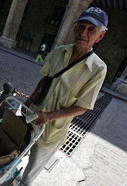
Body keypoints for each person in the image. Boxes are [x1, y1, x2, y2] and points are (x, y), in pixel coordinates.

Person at [20, 7, 108, 185]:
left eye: (91, 29)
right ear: (74, 28)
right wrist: (30, 99)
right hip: (32, 116)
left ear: (100, 36)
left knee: (30, 173)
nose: (83, 33)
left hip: (52, 129)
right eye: (80, 27)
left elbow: (82, 107)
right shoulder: (59, 52)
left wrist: (49, 116)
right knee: (15, 152)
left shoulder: (98, 69)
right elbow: (46, 79)